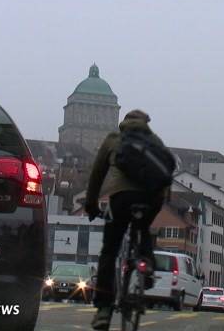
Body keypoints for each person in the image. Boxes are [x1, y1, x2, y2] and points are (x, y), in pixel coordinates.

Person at [84, 110, 169, 330]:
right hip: (152, 198)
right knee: (143, 229)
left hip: (122, 197)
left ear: (124, 123)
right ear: (146, 123)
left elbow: (97, 175)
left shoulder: (114, 139)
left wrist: (91, 204)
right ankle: (146, 265)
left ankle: (103, 308)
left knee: (110, 251)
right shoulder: (156, 142)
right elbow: (166, 175)